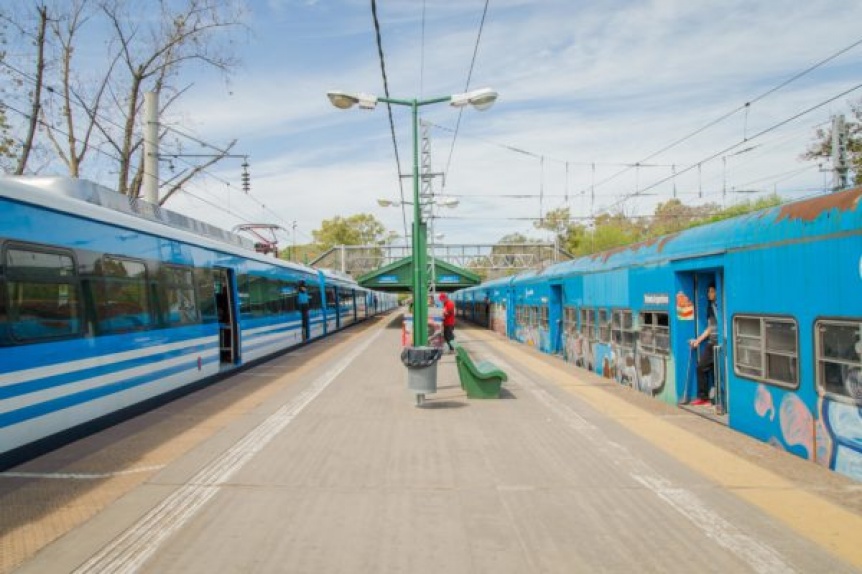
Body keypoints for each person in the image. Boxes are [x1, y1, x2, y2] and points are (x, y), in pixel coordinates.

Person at [689, 283, 718, 406]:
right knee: (702, 367)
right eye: (708, 291)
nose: (709, 294)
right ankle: (705, 397)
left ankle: (715, 399)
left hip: (719, 343)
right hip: (712, 342)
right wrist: (698, 341)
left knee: (716, 371)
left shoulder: (720, 305)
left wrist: (698, 340)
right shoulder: (710, 307)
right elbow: (709, 328)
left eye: (711, 291)